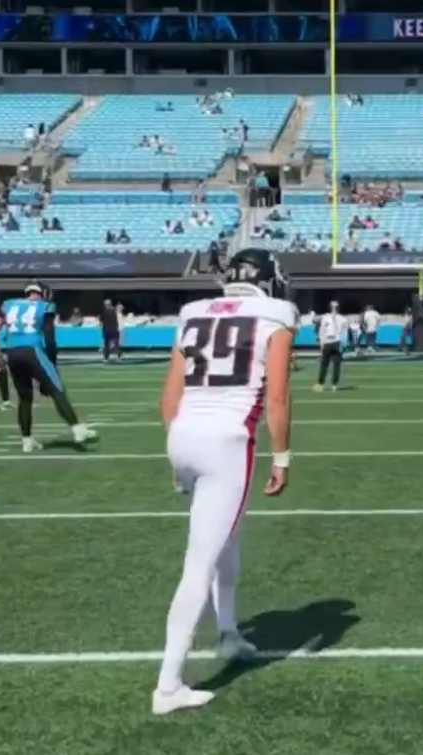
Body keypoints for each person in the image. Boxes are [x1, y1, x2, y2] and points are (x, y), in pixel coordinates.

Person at [154, 247, 297, 715]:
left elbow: (170, 394)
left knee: (225, 539)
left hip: (184, 435)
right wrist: (283, 457)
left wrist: (175, 454)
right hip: (227, 441)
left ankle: (230, 632)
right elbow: (276, 396)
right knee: (199, 563)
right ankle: (168, 686)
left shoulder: (193, 312)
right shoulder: (276, 313)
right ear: (267, 279)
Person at [0, 281, 97, 452]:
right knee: (56, 389)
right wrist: (52, 361)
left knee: (25, 398)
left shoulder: (10, 305)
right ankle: (78, 429)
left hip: (12, 352)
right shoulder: (45, 307)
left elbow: (3, 331)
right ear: (42, 293)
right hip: (32, 350)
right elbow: (49, 339)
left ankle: (27, 441)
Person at [315, 301, 347, 392]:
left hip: (333, 341)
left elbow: (322, 331)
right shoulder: (338, 318)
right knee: (330, 364)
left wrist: (322, 344)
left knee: (327, 364)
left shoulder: (340, 319)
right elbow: (322, 331)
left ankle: (326, 384)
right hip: (332, 342)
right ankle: (331, 384)